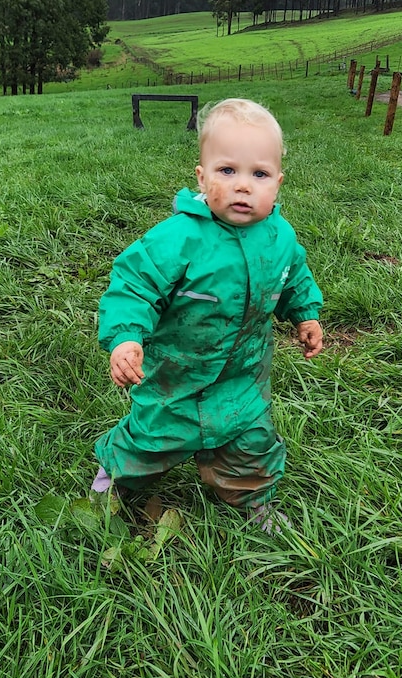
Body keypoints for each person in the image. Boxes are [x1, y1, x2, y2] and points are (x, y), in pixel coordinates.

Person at [91, 97, 323, 532]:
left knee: (251, 440)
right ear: (201, 176)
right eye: (227, 171)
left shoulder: (279, 236)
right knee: (154, 437)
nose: (243, 186)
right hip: (179, 374)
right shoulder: (179, 237)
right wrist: (126, 337)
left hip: (244, 374)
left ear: (278, 182)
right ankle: (113, 481)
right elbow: (134, 285)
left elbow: (294, 277)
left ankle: (254, 499)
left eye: (259, 174)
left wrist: (305, 315)